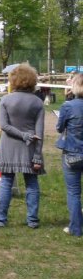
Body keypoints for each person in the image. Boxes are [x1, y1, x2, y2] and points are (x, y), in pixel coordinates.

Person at [0, 63, 45, 229]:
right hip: (30, 148)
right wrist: (37, 155)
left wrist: (23, 136)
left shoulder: (5, 100)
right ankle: (32, 220)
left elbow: (4, 126)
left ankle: (1, 218)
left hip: (8, 146)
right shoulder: (38, 103)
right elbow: (40, 133)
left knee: (6, 182)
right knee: (32, 183)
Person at [56, 73, 83, 236]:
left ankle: (75, 228)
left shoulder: (68, 106)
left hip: (72, 153)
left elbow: (59, 127)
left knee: (73, 192)